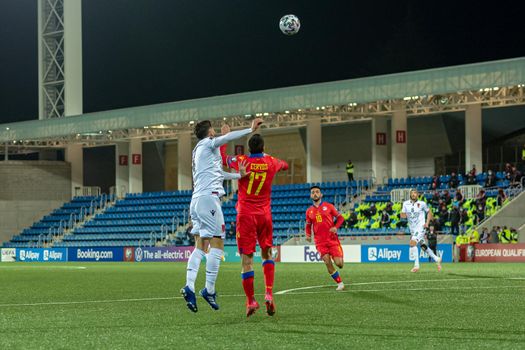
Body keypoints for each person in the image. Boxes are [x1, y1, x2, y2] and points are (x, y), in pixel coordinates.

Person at [180, 118, 261, 313]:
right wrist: (248, 130)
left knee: (200, 244)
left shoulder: (199, 151)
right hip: (209, 200)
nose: (215, 132)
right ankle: (209, 289)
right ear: (209, 133)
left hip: (197, 200)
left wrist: (238, 176)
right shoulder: (209, 143)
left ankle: (190, 286)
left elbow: (218, 173)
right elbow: (225, 139)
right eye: (214, 130)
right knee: (217, 242)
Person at [222, 132, 288, 317]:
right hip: (264, 215)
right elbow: (285, 165)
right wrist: (268, 157)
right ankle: (268, 292)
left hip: (246, 216)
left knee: (247, 261)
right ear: (263, 147)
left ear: (249, 148)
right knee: (267, 253)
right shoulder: (271, 162)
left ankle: (251, 301)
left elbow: (223, 158)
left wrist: (225, 138)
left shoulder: (242, 160)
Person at [305, 186, 345, 291]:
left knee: (339, 264)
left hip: (332, 240)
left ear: (321, 195)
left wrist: (335, 227)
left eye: (317, 192)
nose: (315, 194)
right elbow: (308, 225)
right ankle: (340, 283)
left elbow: (341, 218)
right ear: (310, 196)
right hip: (320, 242)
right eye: (313, 192)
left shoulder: (329, 206)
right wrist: (308, 234)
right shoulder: (309, 211)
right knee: (327, 261)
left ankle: (337, 257)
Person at [400, 189, 442, 272]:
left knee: (412, 243)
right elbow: (402, 215)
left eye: (415, 193)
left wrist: (427, 223)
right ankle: (436, 258)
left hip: (420, 227)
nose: (413, 195)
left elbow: (429, 212)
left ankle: (416, 266)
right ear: (410, 195)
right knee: (423, 246)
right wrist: (404, 214)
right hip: (412, 229)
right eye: (412, 193)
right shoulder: (405, 204)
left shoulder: (422, 204)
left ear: (418, 195)